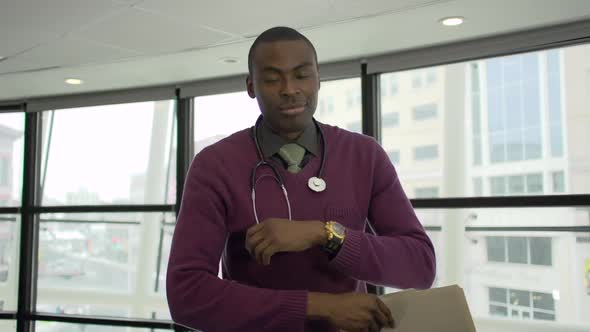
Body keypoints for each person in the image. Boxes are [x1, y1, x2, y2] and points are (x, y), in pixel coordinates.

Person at [167, 26, 436, 332]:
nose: (289, 89)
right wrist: (318, 307)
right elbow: (186, 294)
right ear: (251, 86)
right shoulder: (215, 165)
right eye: (271, 78)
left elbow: (420, 266)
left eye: (301, 74)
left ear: (318, 77)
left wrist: (325, 235)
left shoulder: (365, 155)